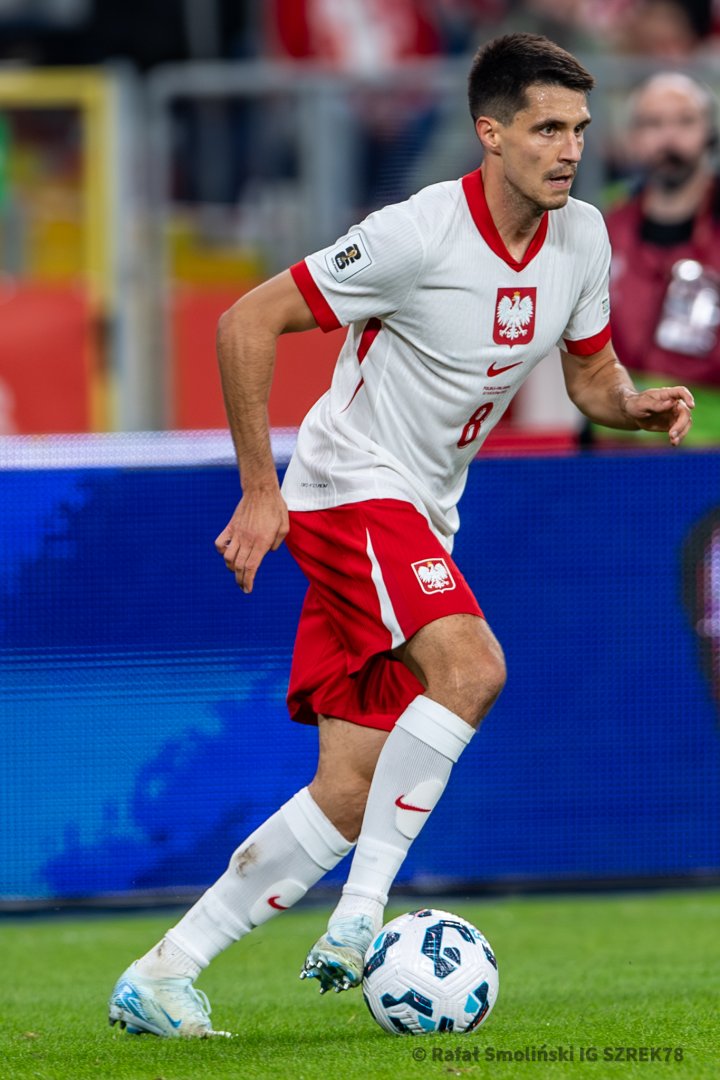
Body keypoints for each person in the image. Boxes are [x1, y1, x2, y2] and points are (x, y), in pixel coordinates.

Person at [108, 32, 694, 1038]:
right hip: (350, 489)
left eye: (579, 130)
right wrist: (260, 491)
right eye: (546, 129)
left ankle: (163, 974)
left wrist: (632, 406)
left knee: (349, 789)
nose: (569, 150)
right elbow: (245, 322)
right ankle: (362, 915)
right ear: (490, 133)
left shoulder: (584, 238)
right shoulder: (415, 234)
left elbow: (591, 375)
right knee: (472, 667)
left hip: (424, 512)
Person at [603, 71, 720, 444]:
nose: (669, 137)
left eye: (685, 121)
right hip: (614, 444)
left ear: (710, 132)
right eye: (653, 123)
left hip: (708, 447)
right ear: (632, 138)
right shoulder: (603, 227)